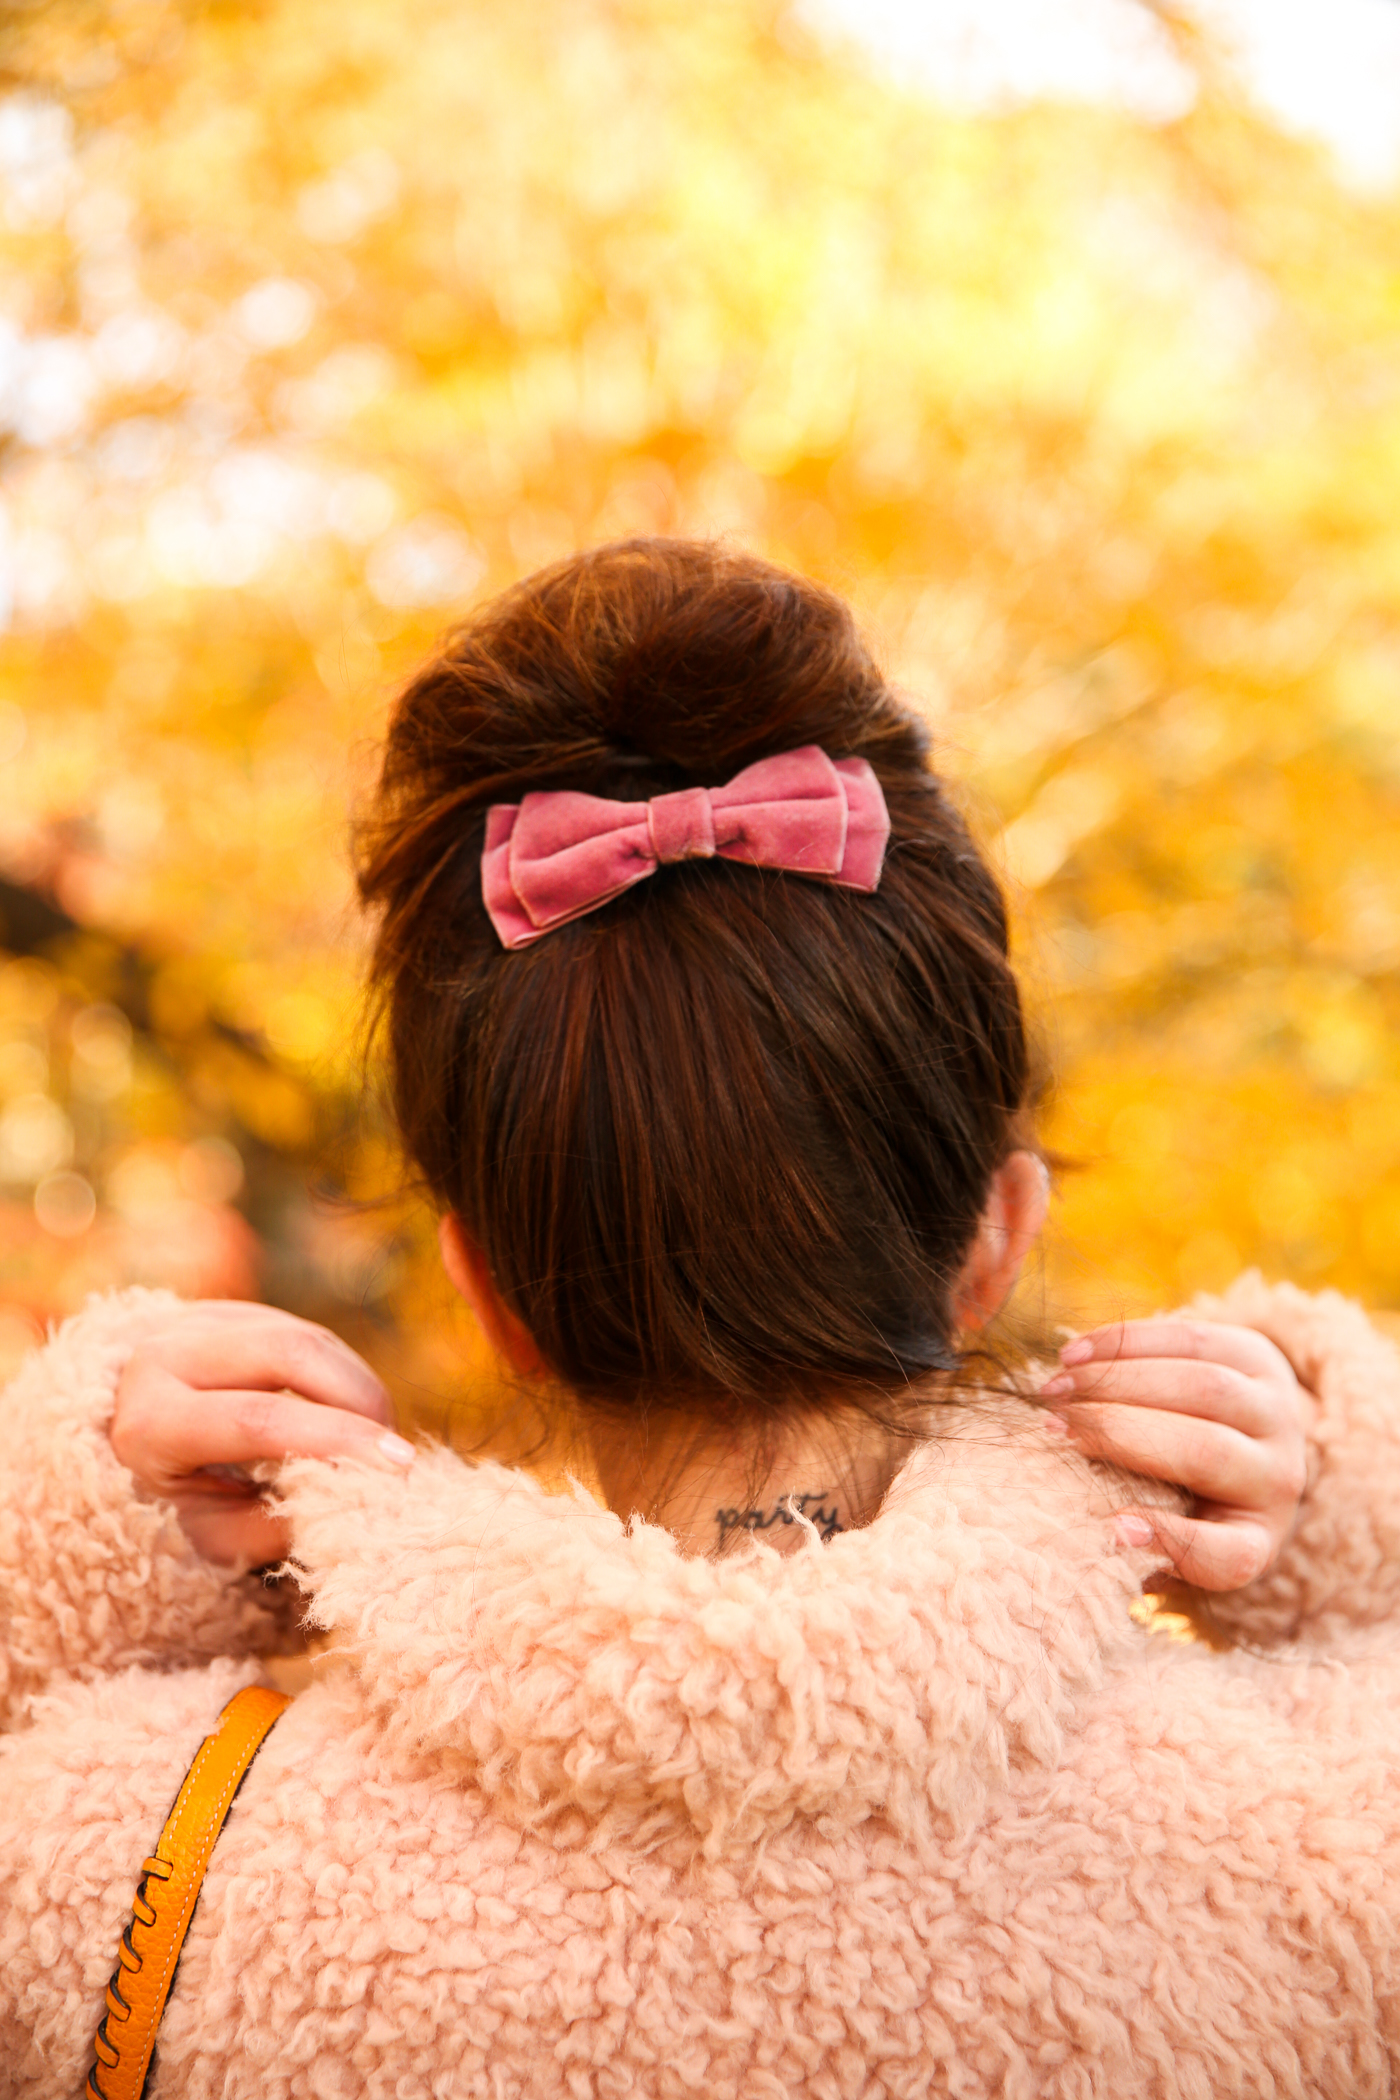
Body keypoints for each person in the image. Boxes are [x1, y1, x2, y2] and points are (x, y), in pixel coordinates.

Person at [2, 539, 1397, 2100]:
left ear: (489, 1287)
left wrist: (76, 1537)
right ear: (995, 1238)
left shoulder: (125, 1876)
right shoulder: (1337, 1851)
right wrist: (1335, 1493)